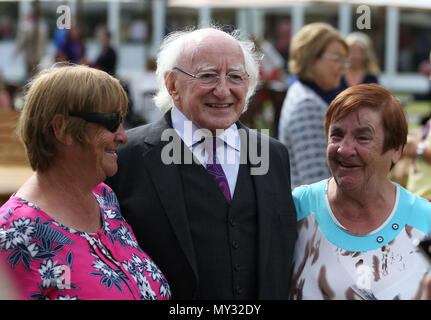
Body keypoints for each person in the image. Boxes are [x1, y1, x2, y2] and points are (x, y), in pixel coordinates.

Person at [106, 27, 297, 299]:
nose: (223, 90)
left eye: (235, 76)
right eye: (207, 76)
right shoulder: (126, 157)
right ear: (172, 85)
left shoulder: (273, 155)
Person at [0, 65, 171, 300]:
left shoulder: (104, 199)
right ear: (61, 129)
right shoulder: (13, 233)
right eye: (111, 121)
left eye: (122, 121)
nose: (123, 135)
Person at [290, 83, 431, 300]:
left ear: (396, 150)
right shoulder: (297, 210)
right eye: (336, 135)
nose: (344, 149)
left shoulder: (425, 221)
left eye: (362, 137)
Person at [278, 22, 349, 189]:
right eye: (337, 59)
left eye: (345, 60)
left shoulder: (306, 93)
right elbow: (316, 182)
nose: (343, 67)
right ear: (311, 58)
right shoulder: (307, 104)